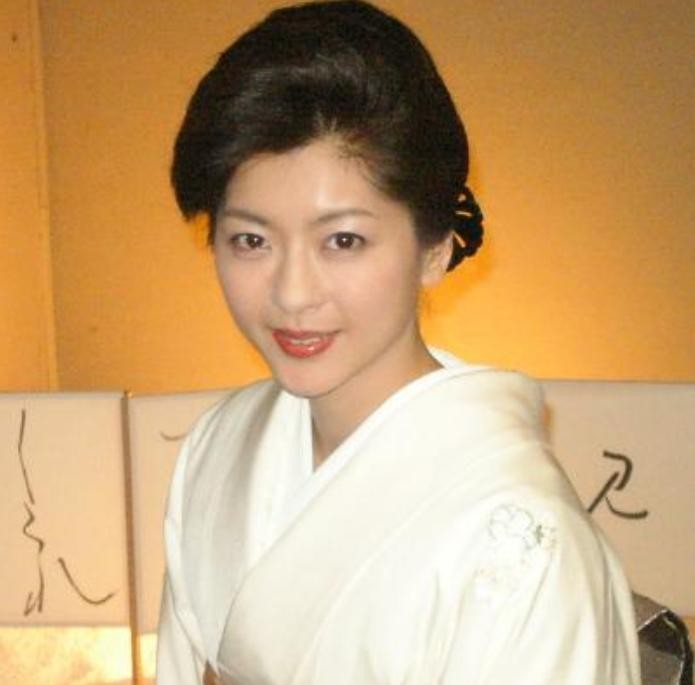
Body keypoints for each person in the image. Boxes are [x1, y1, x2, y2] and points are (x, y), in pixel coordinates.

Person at [156, 2, 641, 683]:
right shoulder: (219, 442)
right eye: (251, 240)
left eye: (342, 240)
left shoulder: (524, 540)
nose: (292, 292)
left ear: (434, 247)